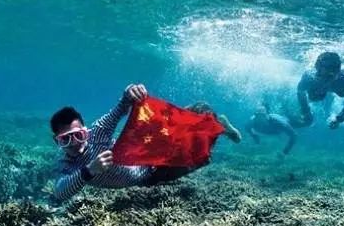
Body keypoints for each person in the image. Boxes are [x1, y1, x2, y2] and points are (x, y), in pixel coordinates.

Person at [50, 84, 241, 204]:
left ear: (86, 131)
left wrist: (130, 92)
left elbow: (120, 107)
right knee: (199, 157)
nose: (74, 143)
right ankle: (217, 126)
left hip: (150, 151)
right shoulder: (65, 165)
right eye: (65, 139)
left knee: (198, 112)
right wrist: (89, 170)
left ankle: (219, 124)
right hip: (151, 178)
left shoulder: (98, 132)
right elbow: (60, 192)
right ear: (57, 141)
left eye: (78, 135)